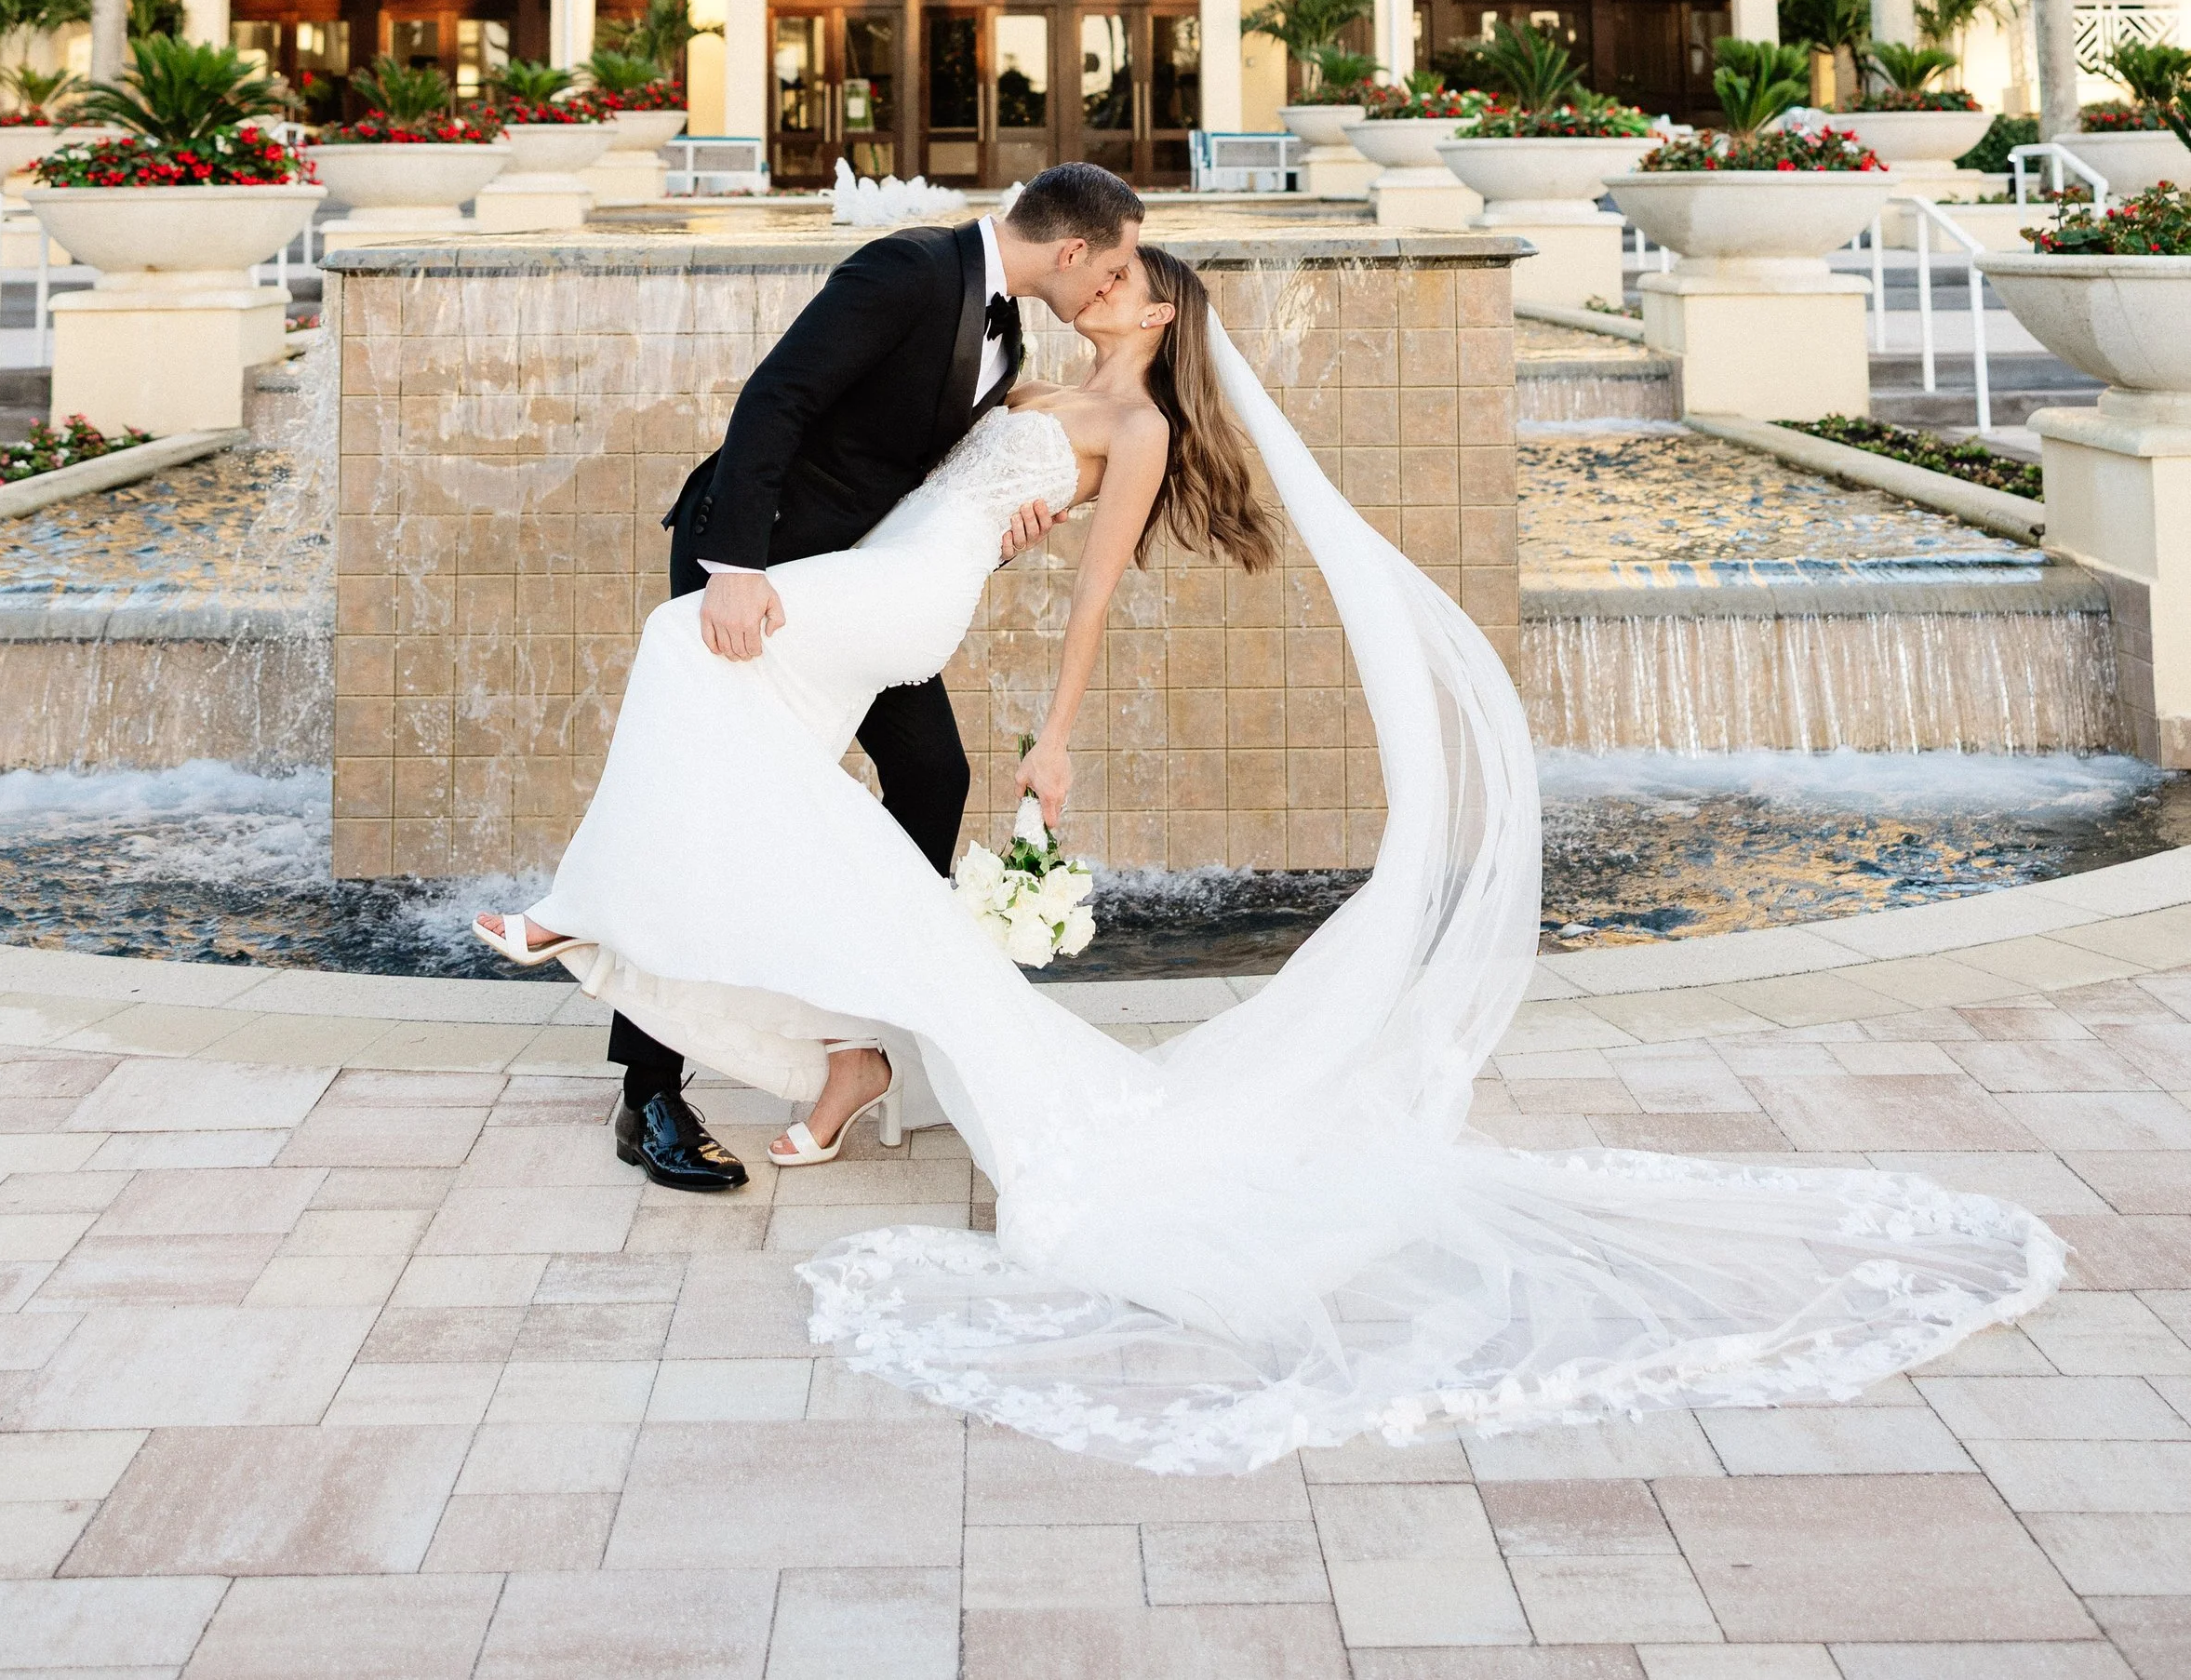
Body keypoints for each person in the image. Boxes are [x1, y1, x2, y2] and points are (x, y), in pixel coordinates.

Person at [480, 234, 2063, 1473]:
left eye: (1126, 281)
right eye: (1099, 270)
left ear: (1160, 316)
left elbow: (1093, 588)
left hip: (905, 602)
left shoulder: (1144, 428)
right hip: (875, 574)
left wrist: (1063, 736)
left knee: (694, 652)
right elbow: (905, 451)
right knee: (758, 740)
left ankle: (616, 938)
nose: (1103, 287)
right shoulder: (1010, 359)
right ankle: (823, 1047)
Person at [509, 159, 1144, 1190]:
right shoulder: (907, 270)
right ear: (1072, 251)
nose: (1111, 288)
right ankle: (650, 1093)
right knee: (709, 804)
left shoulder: (1010, 337)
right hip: (756, 571)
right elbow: (778, 398)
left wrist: (1009, 517)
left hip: (857, 591)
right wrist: (734, 571)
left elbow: (940, 474)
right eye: (1111, 268)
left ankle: (858, 1030)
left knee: (933, 777)